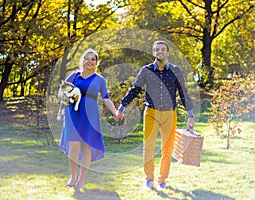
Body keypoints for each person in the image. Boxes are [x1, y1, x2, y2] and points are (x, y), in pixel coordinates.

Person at [115, 40, 195, 190]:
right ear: (153, 53)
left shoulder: (176, 71)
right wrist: (121, 107)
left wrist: (190, 114)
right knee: (149, 147)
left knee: (167, 148)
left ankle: (162, 180)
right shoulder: (146, 70)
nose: (160, 52)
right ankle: (149, 179)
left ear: (167, 53)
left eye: (163, 49)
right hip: (150, 112)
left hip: (169, 114)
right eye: (157, 49)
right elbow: (135, 89)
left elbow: (183, 93)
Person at [59, 48, 119, 191]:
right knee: (73, 145)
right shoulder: (74, 76)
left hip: (90, 115)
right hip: (73, 114)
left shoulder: (100, 79)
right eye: (87, 58)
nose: (90, 61)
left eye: (93, 59)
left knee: (87, 147)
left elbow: (106, 98)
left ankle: (81, 180)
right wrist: (67, 96)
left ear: (97, 63)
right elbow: (61, 92)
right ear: (83, 61)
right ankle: (73, 176)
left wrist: (115, 112)